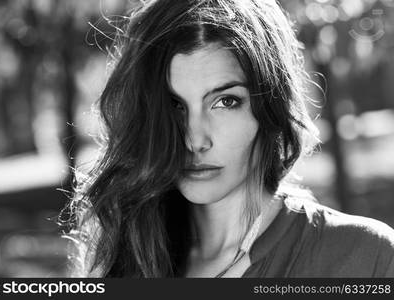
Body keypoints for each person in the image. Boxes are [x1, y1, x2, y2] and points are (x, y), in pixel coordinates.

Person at [61, 0, 394, 278]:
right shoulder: (123, 260)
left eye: (225, 102)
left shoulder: (364, 259)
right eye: (174, 106)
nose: (195, 139)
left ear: (270, 106)